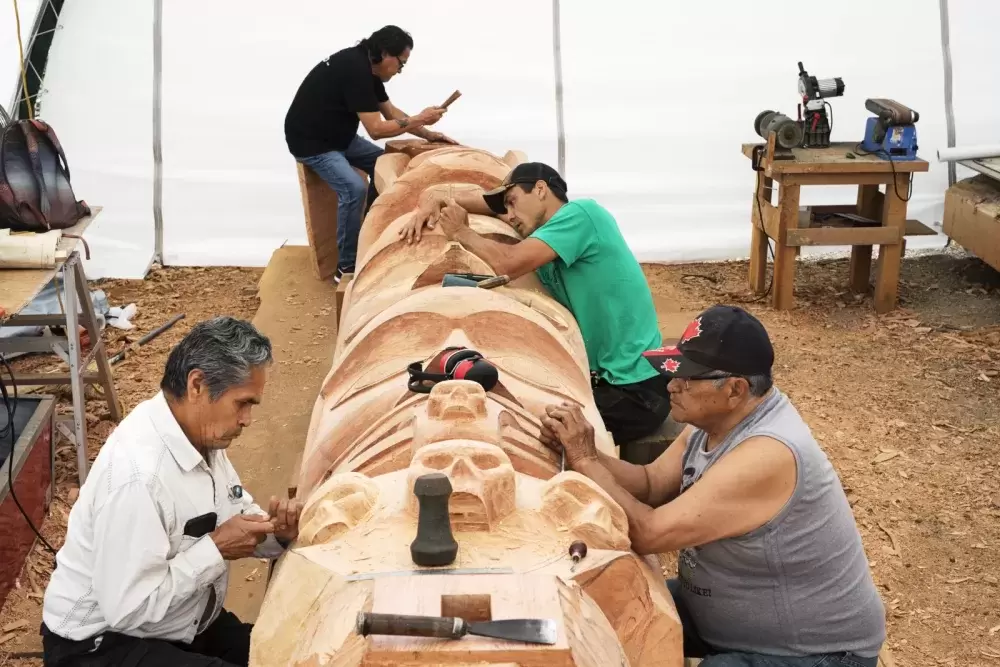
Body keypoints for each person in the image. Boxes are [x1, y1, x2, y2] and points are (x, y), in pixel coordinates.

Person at [538, 305, 886, 667]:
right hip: (722, 620)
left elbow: (647, 534)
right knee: (611, 599)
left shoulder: (767, 452)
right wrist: (582, 446)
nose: (671, 385)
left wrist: (584, 460)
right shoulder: (716, 420)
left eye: (687, 378)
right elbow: (651, 483)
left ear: (735, 389)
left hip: (817, 653)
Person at [40, 317, 303, 667]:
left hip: (179, 617)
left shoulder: (201, 436)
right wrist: (215, 548)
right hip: (101, 643)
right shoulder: (137, 475)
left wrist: (277, 534)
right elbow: (130, 608)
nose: (247, 420)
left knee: (283, 653)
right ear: (197, 385)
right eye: (243, 403)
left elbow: (236, 516)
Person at [399, 161, 671, 463]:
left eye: (513, 202)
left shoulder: (581, 215)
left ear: (541, 189)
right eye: (506, 208)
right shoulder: (549, 238)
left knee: (525, 434)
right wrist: (433, 201)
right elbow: (475, 202)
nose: (510, 215)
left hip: (636, 391)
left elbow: (508, 263)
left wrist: (462, 232)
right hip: (607, 382)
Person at [284, 25, 457, 283]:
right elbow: (376, 130)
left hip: (339, 136)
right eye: (401, 63)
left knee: (383, 164)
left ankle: (368, 229)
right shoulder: (356, 71)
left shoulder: (369, 68)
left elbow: (391, 113)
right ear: (386, 53)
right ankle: (346, 267)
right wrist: (420, 117)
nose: (400, 71)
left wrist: (428, 134)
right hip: (313, 142)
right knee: (354, 189)